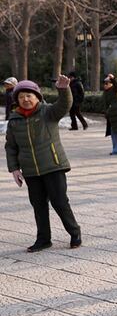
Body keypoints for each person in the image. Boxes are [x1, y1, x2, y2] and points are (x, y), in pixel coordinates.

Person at [5, 76, 82, 252]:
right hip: (31, 171)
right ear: (16, 100)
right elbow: (11, 147)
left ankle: (74, 232)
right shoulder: (14, 120)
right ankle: (43, 239)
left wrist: (64, 90)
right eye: (21, 96)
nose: (25, 99)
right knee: (38, 205)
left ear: (37, 97)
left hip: (53, 166)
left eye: (29, 95)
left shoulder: (48, 112)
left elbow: (65, 105)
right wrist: (14, 168)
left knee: (60, 202)